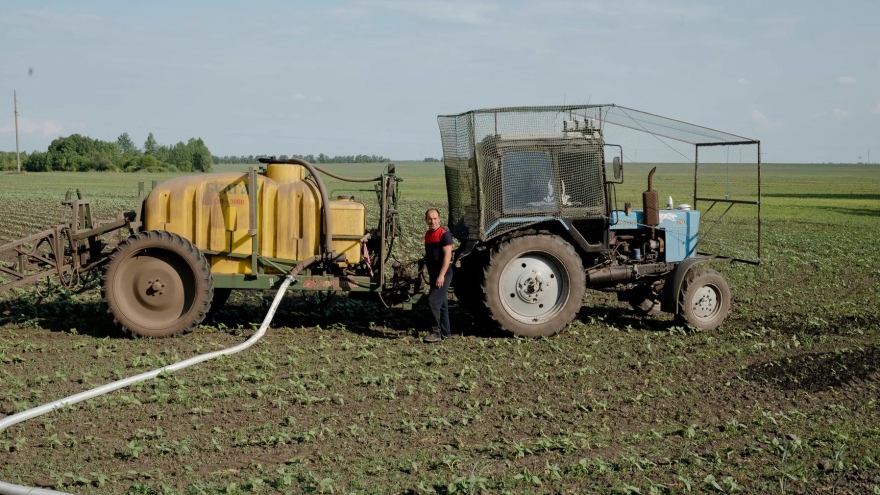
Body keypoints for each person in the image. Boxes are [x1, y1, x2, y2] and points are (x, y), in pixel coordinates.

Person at [423, 208, 453, 342]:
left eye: (435, 218)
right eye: (430, 219)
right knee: (442, 304)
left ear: (439, 219)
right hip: (434, 274)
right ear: (426, 220)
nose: (432, 221)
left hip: (444, 274)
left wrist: (441, 275)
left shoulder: (444, 234)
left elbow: (447, 256)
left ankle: (436, 333)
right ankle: (446, 333)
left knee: (433, 300)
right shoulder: (428, 235)